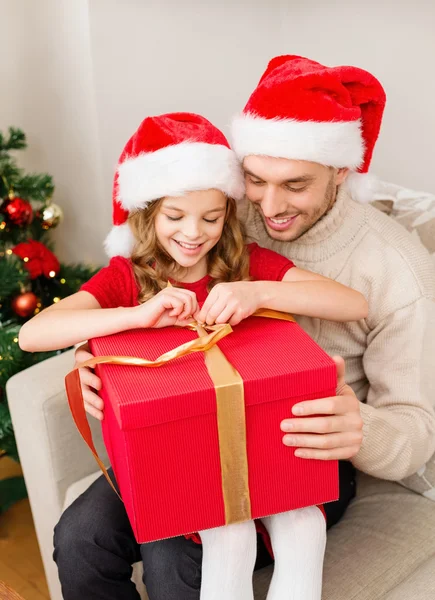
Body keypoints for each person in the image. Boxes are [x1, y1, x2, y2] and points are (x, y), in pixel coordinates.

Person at [44, 55, 435, 600]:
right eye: (254, 179)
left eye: (295, 185)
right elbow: (126, 289)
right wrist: (97, 361)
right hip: (187, 423)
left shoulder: (400, 269)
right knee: (81, 536)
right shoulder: (216, 215)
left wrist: (360, 427)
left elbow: (416, 434)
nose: (269, 207)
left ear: (341, 172)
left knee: (176, 548)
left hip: (299, 446)